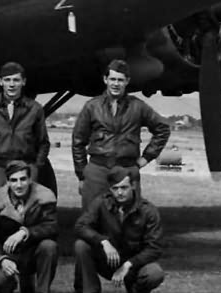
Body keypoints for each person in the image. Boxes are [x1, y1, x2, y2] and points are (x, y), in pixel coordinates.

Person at [71, 59, 171, 208]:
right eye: (112, 79)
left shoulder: (138, 106)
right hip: (97, 171)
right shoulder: (92, 106)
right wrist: (82, 174)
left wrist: (145, 158)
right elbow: (78, 141)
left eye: (120, 80)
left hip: (127, 170)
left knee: (130, 220)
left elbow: (163, 128)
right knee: (91, 218)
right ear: (105, 80)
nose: (116, 84)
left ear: (127, 81)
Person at [73, 166, 165, 293]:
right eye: (115, 188)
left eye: (124, 187)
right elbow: (80, 226)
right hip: (108, 260)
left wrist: (129, 264)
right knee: (81, 246)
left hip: (133, 265)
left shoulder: (148, 211)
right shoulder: (101, 203)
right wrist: (103, 241)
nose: (120, 192)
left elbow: (155, 247)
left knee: (155, 273)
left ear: (133, 186)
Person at [0, 160, 60, 293]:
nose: (19, 185)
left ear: (30, 179)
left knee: (49, 246)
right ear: (7, 182)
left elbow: (52, 226)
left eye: (23, 179)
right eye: (14, 180)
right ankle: (7, 290)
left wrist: (25, 232)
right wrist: (1, 259)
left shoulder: (45, 196)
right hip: (7, 254)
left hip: (33, 251)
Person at [0, 62, 57, 200]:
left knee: (24, 213)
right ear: (0, 82)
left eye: (16, 80)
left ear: (23, 82)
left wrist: (35, 169)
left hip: (24, 167)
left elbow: (43, 142)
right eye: (7, 80)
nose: (11, 84)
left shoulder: (35, 109)